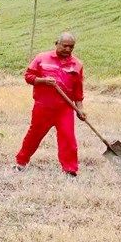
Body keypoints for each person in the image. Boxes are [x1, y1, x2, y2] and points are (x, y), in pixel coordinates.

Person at [15, 32, 86, 176]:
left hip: (65, 109)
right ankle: (21, 162)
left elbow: (78, 91)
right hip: (43, 107)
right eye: (64, 46)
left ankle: (70, 170)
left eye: (71, 47)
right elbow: (28, 77)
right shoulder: (41, 58)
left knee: (68, 138)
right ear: (56, 44)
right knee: (34, 135)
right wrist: (43, 81)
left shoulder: (77, 65)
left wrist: (80, 109)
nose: (67, 49)